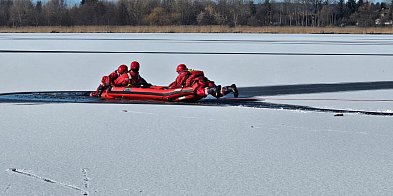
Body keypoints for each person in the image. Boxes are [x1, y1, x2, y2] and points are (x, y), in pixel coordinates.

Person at [168, 64, 238, 98]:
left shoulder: (182, 74)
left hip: (198, 83)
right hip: (206, 81)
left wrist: (169, 88)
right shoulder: (192, 72)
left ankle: (213, 89)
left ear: (180, 70)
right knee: (217, 93)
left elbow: (178, 83)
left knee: (198, 91)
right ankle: (230, 88)